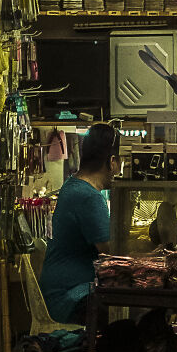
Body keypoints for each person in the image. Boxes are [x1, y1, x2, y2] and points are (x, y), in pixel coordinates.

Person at [39, 122, 121, 324]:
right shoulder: (88, 196)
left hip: (63, 291)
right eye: (121, 163)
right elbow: (111, 252)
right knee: (126, 321)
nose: (119, 170)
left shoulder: (73, 185)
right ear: (112, 162)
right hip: (70, 297)